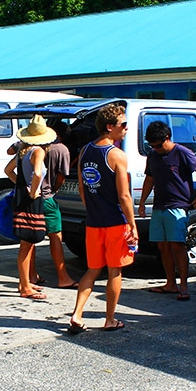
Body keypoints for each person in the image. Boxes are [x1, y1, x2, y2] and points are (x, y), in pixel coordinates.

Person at [68, 103, 138, 333]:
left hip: (94, 222)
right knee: (115, 271)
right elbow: (125, 195)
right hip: (115, 222)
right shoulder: (117, 155)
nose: (126, 128)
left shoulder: (85, 151)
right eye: (123, 124)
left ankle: (77, 314)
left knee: (92, 269)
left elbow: (82, 187)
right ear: (110, 127)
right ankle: (109, 319)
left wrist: (93, 209)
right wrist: (132, 224)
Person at [138, 120, 196, 301]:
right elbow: (149, 179)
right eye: (152, 146)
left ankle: (183, 285)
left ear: (167, 138)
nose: (156, 149)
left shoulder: (182, 153)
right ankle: (170, 283)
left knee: (177, 245)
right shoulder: (153, 156)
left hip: (178, 207)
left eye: (159, 145)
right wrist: (143, 202)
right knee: (162, 245)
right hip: (159, 206)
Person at [5, 114, 56, 300]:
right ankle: (25, 287)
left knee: (26, 243)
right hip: (30, 201)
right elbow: (36, 174)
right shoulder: (38, 151)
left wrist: (21, 185)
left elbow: (8, 171)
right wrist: (33, 191)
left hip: (21, 198)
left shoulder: (23, 151)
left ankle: (24, 282)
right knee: (27, 243)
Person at [40, 121, 78, 289]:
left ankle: (30, 276)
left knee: (30, 238)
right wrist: (54, 188)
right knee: (56, 236)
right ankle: (63, 277)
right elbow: (61, 176)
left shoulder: (31, 148)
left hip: (30, 197)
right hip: (47, 197)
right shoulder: (61, 149)